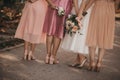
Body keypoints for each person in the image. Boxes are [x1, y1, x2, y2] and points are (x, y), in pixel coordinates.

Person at [81, 0, 117, 72]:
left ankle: (92, 62)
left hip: (98, 9)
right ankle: (99, 63)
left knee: (93, 35)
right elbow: (117, 2)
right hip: (110, 10)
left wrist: (84, 10)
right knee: (104, 37)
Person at [61, 0, 93, 68]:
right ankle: (79, 59)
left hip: (85, 10)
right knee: (77, 33)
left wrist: (82, 13)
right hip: (79, 9)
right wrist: (78, 11)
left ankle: (81, 58)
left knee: (80, 33)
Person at [43, 0, 73, 64]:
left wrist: (51, 3)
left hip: (53, 6)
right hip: (64, 7)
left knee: (50, 32)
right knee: (58, 33)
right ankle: (53, 57)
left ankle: (48, 56)